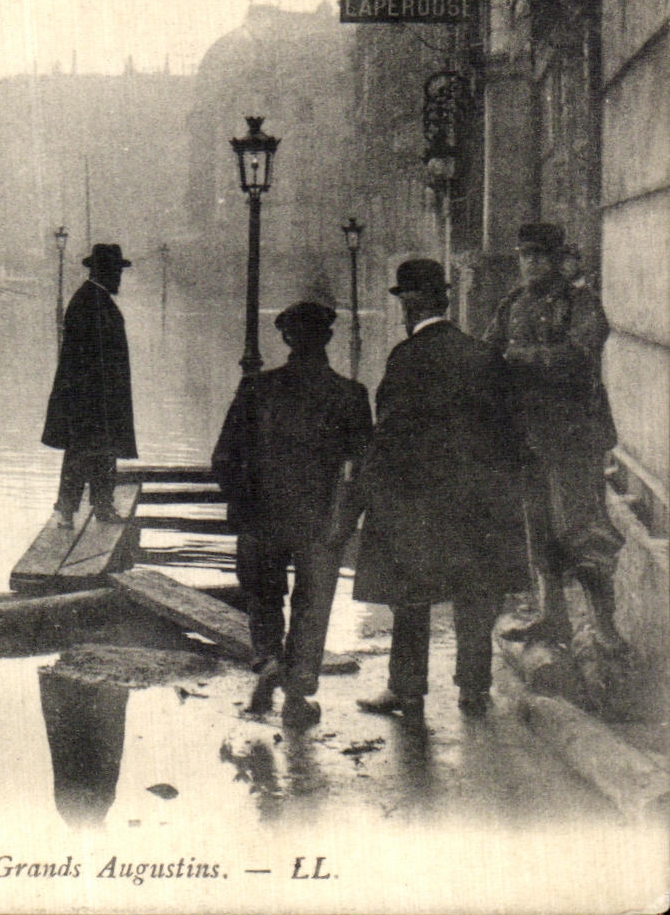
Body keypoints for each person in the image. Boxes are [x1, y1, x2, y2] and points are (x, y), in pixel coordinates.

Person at [338, 259, 529, 719]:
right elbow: (510, 432)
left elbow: (389, 432)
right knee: (476, 592)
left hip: (420, 498)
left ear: (410, 303)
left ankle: (406, 690)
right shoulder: (483, 354)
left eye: (404, 299)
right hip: (479, 500)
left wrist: (366, 495)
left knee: (411, 595)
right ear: (444, 300)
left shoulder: (407, 358)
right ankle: (474, 690)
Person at [211, 300, 373, 729]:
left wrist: (244, 507)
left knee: (263, 596)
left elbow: (224, 458)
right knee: (312, 605)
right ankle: (298, 694)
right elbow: (363, 471)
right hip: (320, 521)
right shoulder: (350, 395)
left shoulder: (256, 389)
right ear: (329, 339)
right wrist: (344, 520)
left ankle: (267, 658)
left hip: (262, 517)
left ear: (285, 338)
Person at [483, 223, 626, 652]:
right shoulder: (513, 303)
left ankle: (605, 625)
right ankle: (552, 618)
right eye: (524, 256)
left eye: (539, 256)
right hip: (527, 435)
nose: (530, 264)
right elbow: (489, 350)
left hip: (573, 436)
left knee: (585, 530)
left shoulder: (579, 302)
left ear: (558, 259)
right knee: (539, 529)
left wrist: (522, 357)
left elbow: (581, 353)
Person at [42, 243, 137, 528]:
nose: (119, 277)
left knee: (95, 451)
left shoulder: (93, 298)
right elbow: (82, 359)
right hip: (90, 399)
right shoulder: (89, 301)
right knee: (85, 452)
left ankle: (92, 506)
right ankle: (72, 510)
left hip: (97, 397)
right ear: (102, 271)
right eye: (115, 271)